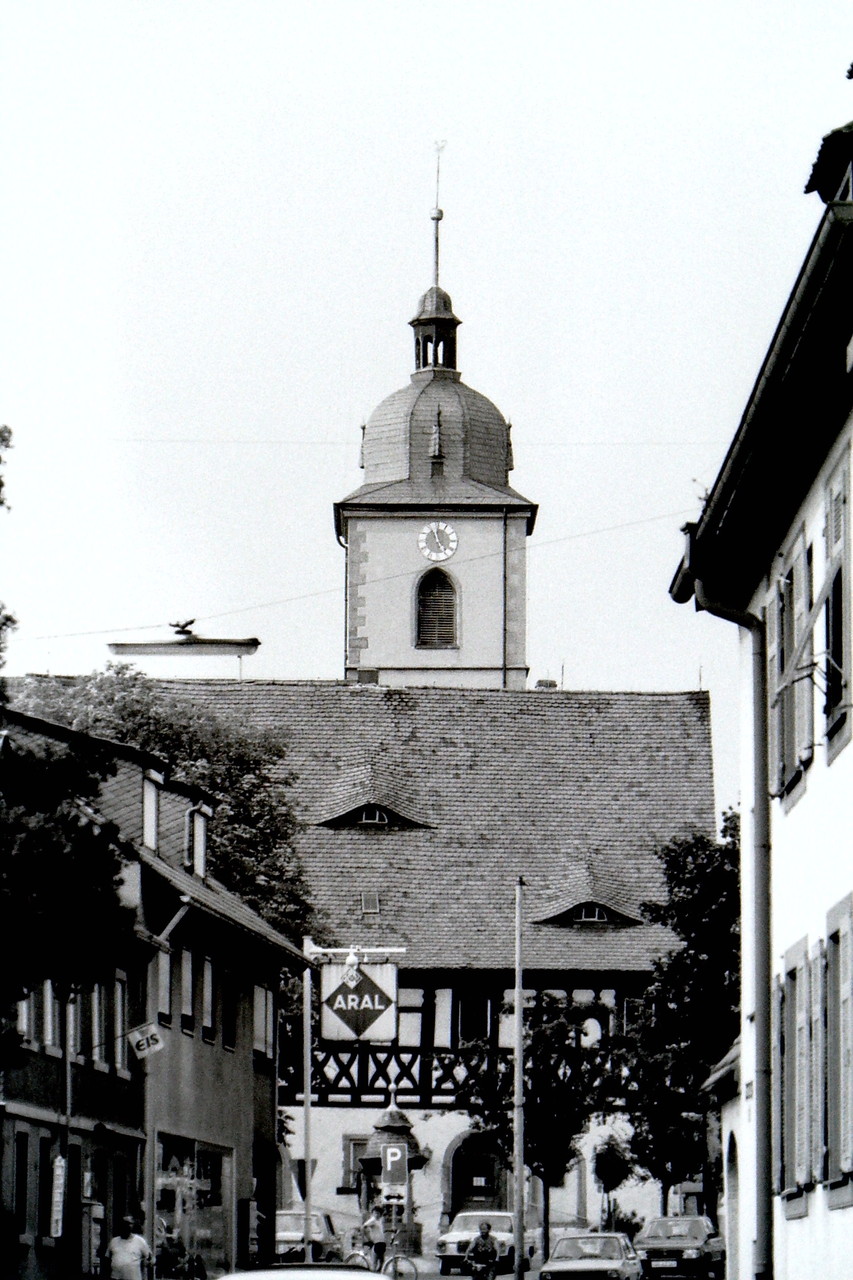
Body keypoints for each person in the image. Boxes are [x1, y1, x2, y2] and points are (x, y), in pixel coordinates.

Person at [105, 1216, 153, 1280]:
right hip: (115, 1277)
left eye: (129, 1224)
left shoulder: (140, 1241)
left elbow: (150, 1259)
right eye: (124, 1224)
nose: (126, 1226)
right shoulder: (114, 1241)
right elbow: (107, 1259)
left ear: (132, 1225)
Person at [362, 1203, 386, 1271]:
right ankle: (374, 1274)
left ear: (380, 1214)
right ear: (373, 1213)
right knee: (375, 1261)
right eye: (375, 1213)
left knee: (382, 1261)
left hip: (381, 1241)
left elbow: (380, 1230)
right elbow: (363, 1227)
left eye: (378, 1213)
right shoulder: (372, 1220)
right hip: (376, 1242)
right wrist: (368, 1237)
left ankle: (378, 1273)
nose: (376, 1214)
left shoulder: (379, 1220)